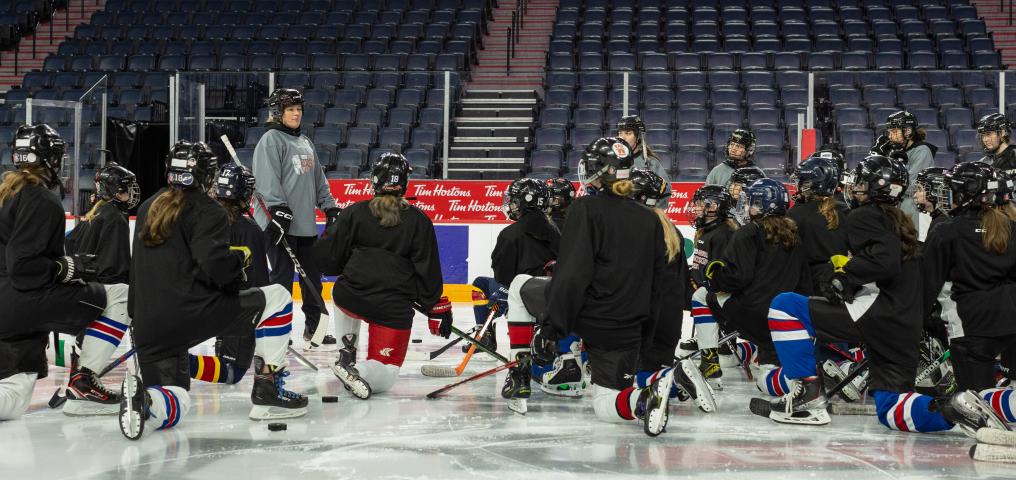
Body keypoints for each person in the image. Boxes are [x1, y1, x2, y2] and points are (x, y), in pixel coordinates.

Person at [762, 155, 1006, 435]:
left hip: (879, 313)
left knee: (784, 307)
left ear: (874, 186)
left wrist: (845, 276)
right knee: (891, 407)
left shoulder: (865, 215)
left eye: (862, 181)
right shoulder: (899, 218)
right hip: (904, 324)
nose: (856, 185)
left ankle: (808, 395)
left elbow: (885, 260)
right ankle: (953, 409)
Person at [120, 140, 306, 440]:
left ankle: (149, 401)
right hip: (190, 316)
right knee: (279, 297)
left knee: (176, 398)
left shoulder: (146, 207)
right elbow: (216, 268)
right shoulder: (209, 210)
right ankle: (268, 387)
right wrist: (237, 261)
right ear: (206, 175)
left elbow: (139, 270)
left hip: (146, 324)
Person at [502, 137, 674, 436]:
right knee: (607, 403)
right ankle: (640, 397)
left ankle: (520, 371)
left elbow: (572, 276)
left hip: (590, 318)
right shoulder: (650, 220)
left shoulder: (586, 209)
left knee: (518, 286)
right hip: (628, 327)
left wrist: (551, 329)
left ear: (597, 171)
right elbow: (657, 284)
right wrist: (645, 332)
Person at [0, 124, 133, 419]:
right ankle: (83, 384)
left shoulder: (5, 191)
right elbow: (23, 268)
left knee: (13, 398)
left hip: (8, 305)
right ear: (51, 159)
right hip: (18, 301)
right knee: (120, 295)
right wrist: (65, 267)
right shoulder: (40, 198)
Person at [316, 153, 447, 400]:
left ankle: (346, 353)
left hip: (350, 296)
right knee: (386, 372)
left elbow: (329, 260)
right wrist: (432, 302)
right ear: (405, 183)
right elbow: (427, 271)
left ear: (374, 181)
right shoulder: (419, 221)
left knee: (342, 293)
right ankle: (358, 370)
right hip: (391, 307)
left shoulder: (353, 213)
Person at [687, 178, 810, 395]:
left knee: (700, 295)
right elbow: (804, 285)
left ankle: (710, 366)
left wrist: (715, 276)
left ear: (760, 206)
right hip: (783, 320)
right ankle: (807, 382)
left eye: (750, 202)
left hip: (753, 315)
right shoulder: (795, 235)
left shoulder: (748, 232)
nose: (746, 206)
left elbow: (736, 279)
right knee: (767, 379)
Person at [923, 162, 1016, 426]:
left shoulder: (946, 230)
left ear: (966, 193)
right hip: (1011, 318)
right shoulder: (1011, 228)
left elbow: (927, 284)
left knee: (970, 403)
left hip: (973, 325)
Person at [252, 88, 340, 349]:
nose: (295, 114)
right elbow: (266, 181)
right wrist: (277, 209)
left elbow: (318, 180)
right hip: (279, 225)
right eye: (290, 109)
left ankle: (314, 327)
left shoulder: (305, 142)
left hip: (304, 225)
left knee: (312, 278)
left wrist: (330, 206)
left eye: (298, 110)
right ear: (279, 112)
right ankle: (279, 328)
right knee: (281, 280)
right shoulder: (271, 140)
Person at [629, 168, 703, 408]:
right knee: (657, 364)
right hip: (670, 315)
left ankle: (669, 380)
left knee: (638, 374)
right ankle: (672, 380)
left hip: (645, 311)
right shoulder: (673, 231)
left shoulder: (638, 229)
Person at [786, 154, 858, 399]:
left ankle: (816, 374)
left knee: (809, 331)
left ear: (812, 184)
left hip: (809, 280)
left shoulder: (797, 213)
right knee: (836, 331)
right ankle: (845, 366)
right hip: (841, 280)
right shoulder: (847, 211)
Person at [188, 163, 264, 385]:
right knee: (232, 371)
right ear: (245, 194)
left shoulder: (198, 220)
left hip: (189, 306)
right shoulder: (250, 230)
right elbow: (258, 285)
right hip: (229, 309)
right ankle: (181, 362)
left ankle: (173, 353)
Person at [466, 178, 558, 357]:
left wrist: (503, 292)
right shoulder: (555, 231)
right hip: (551, 294)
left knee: (480, 283)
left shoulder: (509, 234)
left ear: (525, 202)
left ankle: (485, 335)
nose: (511, 205)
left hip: (522, 294)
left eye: (514, 201)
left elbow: (502, 275)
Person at [66, 162, 139, 284]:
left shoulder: (94, 214)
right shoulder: (115, 219)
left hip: (86, 288)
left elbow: (69, 243)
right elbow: (114, 270)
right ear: (116, 192)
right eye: (126, 190)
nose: (130, 194)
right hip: (104, 290)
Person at [872, 111, 937, 228]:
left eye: (894, 131)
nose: (890, 136)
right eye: (889, 132)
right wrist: (877, 157)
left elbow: (911, 185)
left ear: (907, 131)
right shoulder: (896, 151)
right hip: (898, 206)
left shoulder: (922, 151)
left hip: (913, 207)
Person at [913, 167, 951, 238]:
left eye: (920, 190)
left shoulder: (941, 225)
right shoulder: (944, 219)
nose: (915, 195)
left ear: (935, 192)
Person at [976, 113, 1016, 177]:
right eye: (983, 135)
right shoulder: (983, 162)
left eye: (988, 134)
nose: (985, 139)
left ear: (1003, 132)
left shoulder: (1014, 155)